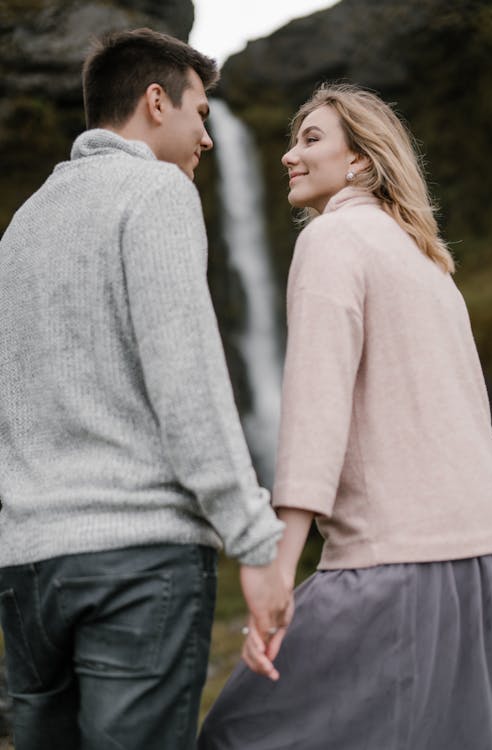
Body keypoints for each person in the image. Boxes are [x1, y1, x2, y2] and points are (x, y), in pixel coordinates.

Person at [0, 28, 291, 750]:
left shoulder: (23, 224)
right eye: (200, 114)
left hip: (27, 568)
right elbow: (187, 383)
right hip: (137, 563)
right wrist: (255, 544)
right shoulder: (156, 191)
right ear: (155, 101)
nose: (209, 138)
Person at [198, 83, 492, 749]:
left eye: (311, 139)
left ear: (360, 161)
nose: (288, 155)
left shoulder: (334, 238)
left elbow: (316, 405)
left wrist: (279, 567)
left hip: (390, 560)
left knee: (234, 736)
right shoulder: (428, 259)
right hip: (482, 559)